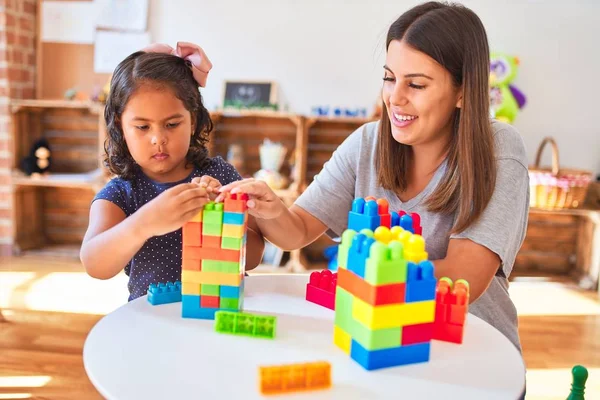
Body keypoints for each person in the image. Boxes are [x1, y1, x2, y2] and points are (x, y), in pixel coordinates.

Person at [219, 0, 528, 368]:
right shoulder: (367, 143)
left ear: (463, 91)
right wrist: (269, 209)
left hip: (469, 355)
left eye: (416, 84)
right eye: (389, 77)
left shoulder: (498, 150)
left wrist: (361, 275)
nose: (395, 97)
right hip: (378, 348)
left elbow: (464, 277)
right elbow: (297, 230)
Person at [81, 42, 265, 301]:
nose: (158, 139)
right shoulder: (120, 193)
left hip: (220, 312)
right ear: (121, 127)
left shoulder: (221, 176)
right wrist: (143, 223)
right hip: (153, 322)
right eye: (142, 127)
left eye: (172, 124)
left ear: (192, 121)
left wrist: (223, 219)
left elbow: (254, 258)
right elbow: (94, 264)